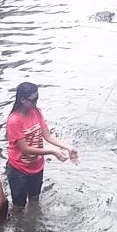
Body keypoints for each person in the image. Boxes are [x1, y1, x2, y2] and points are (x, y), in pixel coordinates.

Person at [6, 82, 78, 213]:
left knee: (34, 200)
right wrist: (52, 151)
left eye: (37, 99)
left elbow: (48, 136)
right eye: (33, 100)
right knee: (19, 207)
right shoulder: (14, 121)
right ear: (22, 100)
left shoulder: (37, 112)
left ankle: (33, 224)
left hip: (36, 167)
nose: (35, 104)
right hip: (19, 170)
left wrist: (68, 147)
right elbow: (25, 149)